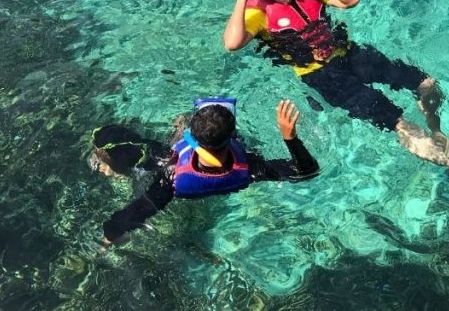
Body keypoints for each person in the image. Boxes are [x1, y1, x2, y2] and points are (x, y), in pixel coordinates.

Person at [223, 0, 449, 186]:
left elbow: (350, 0)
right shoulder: (258, 11)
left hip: (351, 55)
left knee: (427, 83)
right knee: (399, 123)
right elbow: (232, 43)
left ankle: (437, 131)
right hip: (321, 76)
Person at [92, 97, 319, 246]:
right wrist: (290, 137)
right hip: (225, 167)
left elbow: (131, 215)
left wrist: (110, 235)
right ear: (233, 137)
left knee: (113, 140)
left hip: (177, 170)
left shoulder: (170, 177)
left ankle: (115, 166)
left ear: (191, 138)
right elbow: (306, 171)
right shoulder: (251, 167)